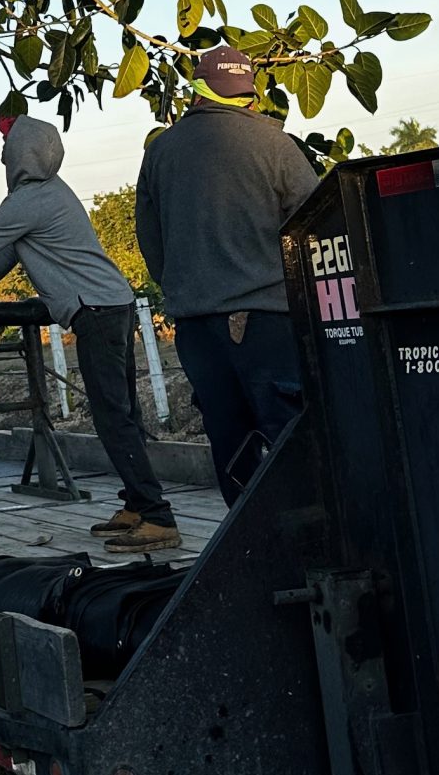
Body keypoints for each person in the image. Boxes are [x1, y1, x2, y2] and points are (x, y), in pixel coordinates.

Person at [0, 104, 179, 553]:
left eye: (6, 146)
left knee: (113, 418)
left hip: (97, 312)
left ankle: (158, 518)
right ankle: (136, 505)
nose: (2, 154)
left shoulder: (28, 201)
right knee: (123, 413)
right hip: (114, 303)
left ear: (20, 154)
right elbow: (10, 251)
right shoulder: (53, 192)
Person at [134, 45, 319, 505]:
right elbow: (317, 224)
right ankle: (307, 547)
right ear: (248, 95)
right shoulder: (276, 145)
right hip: (266, 319)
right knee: (288, 438)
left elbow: (149, 238)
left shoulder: (160, 152)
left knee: (231, 444)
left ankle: (249, 549)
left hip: (196, 326)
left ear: (196, 93)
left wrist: (184, 288)